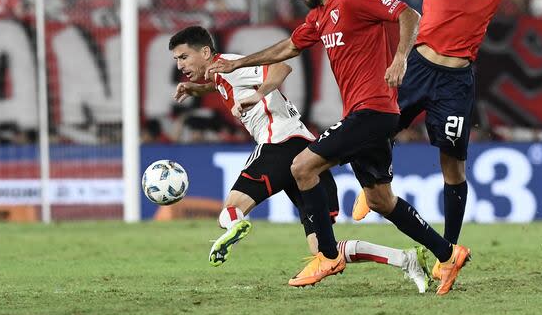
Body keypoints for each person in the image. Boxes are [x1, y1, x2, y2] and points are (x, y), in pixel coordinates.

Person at [208, 0, 471, 296]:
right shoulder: (319, 16)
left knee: (303, 167)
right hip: (367, 115)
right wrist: (238, 64)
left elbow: (408, 14)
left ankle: (329, 256)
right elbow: (289, 47)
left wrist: (401, 58)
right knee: (380, 200)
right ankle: (448, 253)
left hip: (372, 110)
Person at [352, 0, 542, 280]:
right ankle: (375, 186)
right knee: (377, 129)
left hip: (456, 81)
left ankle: (448, 253)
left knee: (453, 167)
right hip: (419, 67)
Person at [168, 26, 432, 293]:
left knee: (231, 210)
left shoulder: (230, 65)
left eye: (184, 57)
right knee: (324, 250)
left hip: (280, 145)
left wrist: (259, 94)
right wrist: (195, 90)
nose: (180, 65)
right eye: (177, 60)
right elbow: (221, 85)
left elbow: (281, 68)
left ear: (205, 52)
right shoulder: (221, 74)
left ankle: (234, 227)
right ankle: (405, 259)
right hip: (307, 156)